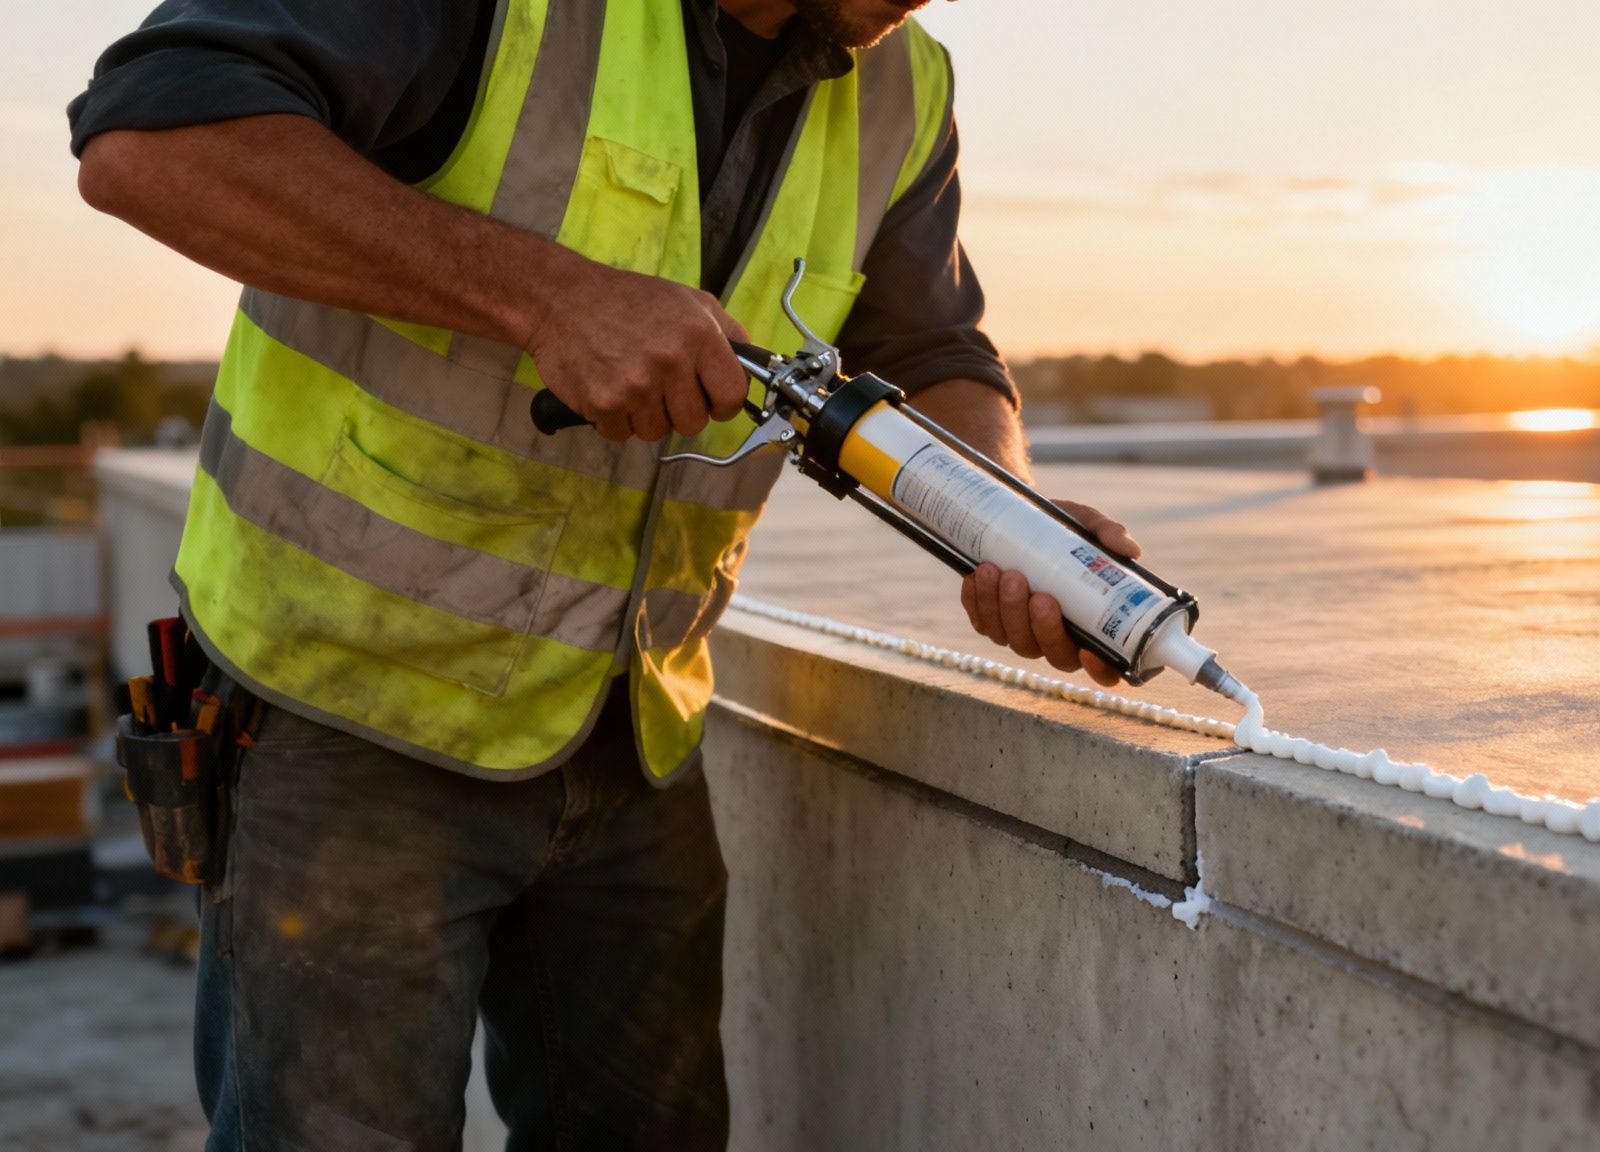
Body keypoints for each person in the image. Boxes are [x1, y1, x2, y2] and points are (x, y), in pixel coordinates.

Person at [70, 1, 1139, 1146]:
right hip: (349, 714)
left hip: (630, 727)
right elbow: (148, 138)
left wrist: (1008, 523)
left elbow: (929, 352)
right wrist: (544, 296)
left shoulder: (899, 83)